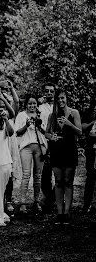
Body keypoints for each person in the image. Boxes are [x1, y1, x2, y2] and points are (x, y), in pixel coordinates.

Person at [45, 89, 82, 225]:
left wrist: (69, 124)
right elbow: (47, 133)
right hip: (56, 151)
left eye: (62, 98)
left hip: (69, 150)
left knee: (68, 180)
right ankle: (59, 213)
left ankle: (67, 213)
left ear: (66, 98)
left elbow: (80, 131)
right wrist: (51, 137)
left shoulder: (74, 113)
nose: (60, 101)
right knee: (58, 181)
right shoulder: (52, 115)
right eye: (58, 99)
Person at [14, 95, 47, 213]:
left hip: (39, 146)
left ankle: (36, 201)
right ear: (26, 105)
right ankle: (22, 202)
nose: (32, 106)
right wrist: (26, 125)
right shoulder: (21, 115)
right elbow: (17, 132)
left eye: (34, 104)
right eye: (30, 104)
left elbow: (46, 132)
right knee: (26, 174)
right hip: (26, 147)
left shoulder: (41, 115)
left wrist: (39, 125)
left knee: (38, 176)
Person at [38, 82, 56, 212]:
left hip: (58, 142)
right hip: (44, 142)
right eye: (47, 91)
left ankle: (52, 198)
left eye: (51, 91)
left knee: (60, 173)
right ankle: (47, 200)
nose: (49, 93)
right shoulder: (39, 107)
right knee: (46, 174)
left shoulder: (59, 106)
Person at [82, 102, 96, 213]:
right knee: (90, 175)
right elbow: (82, 127)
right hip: (91, 149)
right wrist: (92, 122)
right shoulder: (90, 110)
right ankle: (87, 204)